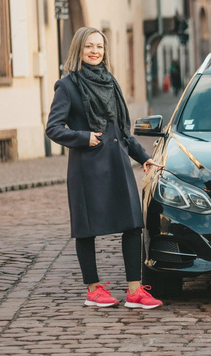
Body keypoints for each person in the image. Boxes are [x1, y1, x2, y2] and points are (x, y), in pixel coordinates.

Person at [46, 27, 163, 310]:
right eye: (89, 46)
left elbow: (121, 130)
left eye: (99, 46)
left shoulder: (110, 82)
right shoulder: (68, 85)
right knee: (87, 230)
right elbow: (53, 128)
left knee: (133, 224)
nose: (95, 51)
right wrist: (83, 137)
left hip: (117, 164)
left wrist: (142, 156)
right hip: (87, 167)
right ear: (78, 50)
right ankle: (93, 289)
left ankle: (135, 291)